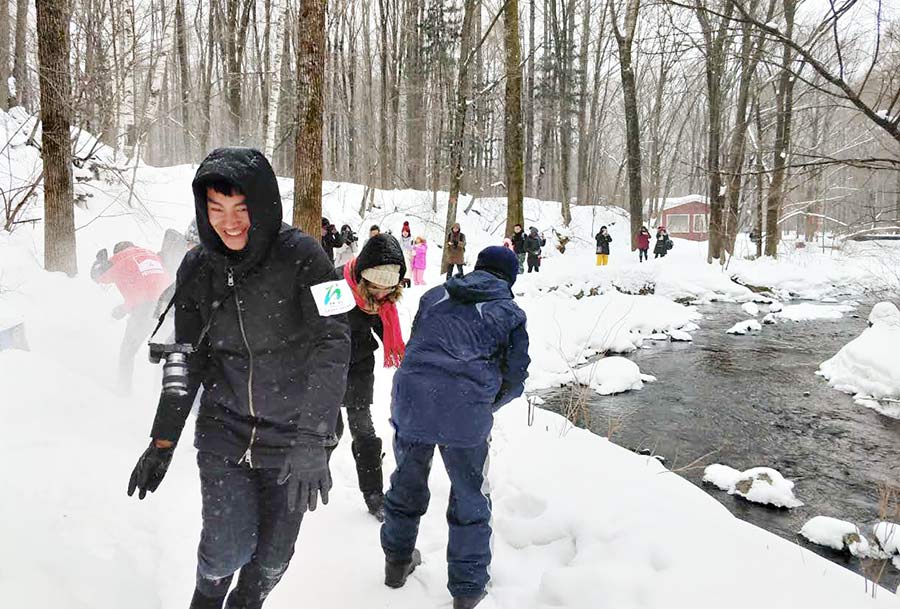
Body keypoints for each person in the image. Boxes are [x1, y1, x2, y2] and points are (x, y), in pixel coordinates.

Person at [126, 147, 351, 609]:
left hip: (294, 438)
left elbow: (337, 338)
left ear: (263, 205)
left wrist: (314, 437)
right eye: (216, 210)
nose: (229, 223)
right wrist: (162, 441)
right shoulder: (196, 269)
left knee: (272, 560)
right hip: (224, 434)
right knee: (225, 550)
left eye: (241, 209)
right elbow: (184, 358)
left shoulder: (307, 256)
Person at [381, 246, 530, 609]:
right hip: (464, 411)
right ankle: (467, 588)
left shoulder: (434, 295)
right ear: (509, 278)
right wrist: (483, 403)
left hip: (412, 399)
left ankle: (396, 563)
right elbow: (515, 376)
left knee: (406, 482)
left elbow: (419, 345)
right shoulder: (509, 311)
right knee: (470, 497)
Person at [334, 233, 407, 521]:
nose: (381, 296)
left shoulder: (383, 297)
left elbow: (382, 326)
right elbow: (314, 325)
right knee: (327, 431)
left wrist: (406, 360)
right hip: (327, 365)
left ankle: (374, 494)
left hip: (360, 364)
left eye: (387, 291)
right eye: (375, 289)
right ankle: (309, 481)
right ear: (363, 279)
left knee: (362, 428)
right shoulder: (336, 285)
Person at [91, 241, 172, 393]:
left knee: (128, 351)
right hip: (167, 306)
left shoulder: (120, 258)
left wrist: (100, 261)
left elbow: (97, 275)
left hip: (145, 309)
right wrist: (124, 309)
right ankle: (162, 394)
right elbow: (145, 287)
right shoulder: (151, 255)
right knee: (165, 353)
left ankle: (124, 390)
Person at [399, 221, 414, 288]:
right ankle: (402, 279)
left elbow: (413, 248)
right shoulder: (400, 239)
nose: (405, 233)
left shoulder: (411, 239)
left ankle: (407, 279)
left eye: (406, 232)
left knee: (408, 267)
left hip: (409, 255)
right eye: (404, 232)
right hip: (402, 255)